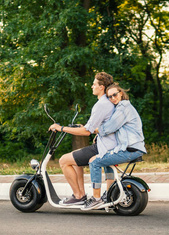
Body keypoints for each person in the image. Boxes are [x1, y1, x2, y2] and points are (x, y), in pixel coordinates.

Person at [48, 72, 117, 205]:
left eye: (94, 84)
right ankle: (81, 195)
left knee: (63, 160)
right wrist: (84, 127)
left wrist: (61, 128)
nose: (92, 86)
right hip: (108, 144)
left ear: (101, 87)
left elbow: (86, 132)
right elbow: (96, 126)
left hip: (103, 147)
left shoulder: (101, 104)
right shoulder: (108, 103)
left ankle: (78, 196)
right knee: (74, 161)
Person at [81, 83, 146, 210]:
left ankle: (96, 199)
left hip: (130, 149)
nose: (113, 98)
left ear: (121, 93)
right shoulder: (123, 107)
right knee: (106, 161)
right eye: (110, 97)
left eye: (115, 95)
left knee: (94, 162)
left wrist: (94, 130)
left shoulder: (123, 108)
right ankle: (109, 194)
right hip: (133, 148)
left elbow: (110, 127)